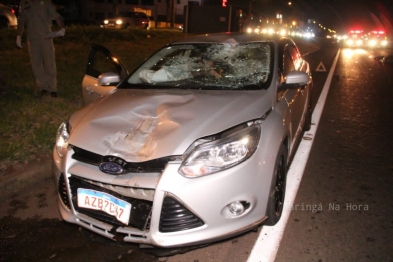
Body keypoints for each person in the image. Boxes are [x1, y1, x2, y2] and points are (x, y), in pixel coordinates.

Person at [16, 0, 65, 98]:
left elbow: (56, 15)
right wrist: (18, 35)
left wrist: (62, 28)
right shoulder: (24, 3)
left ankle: (52, 89)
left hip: (46, 37)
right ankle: (43, 87)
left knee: (49, 62)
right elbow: (21, 20)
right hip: (32, 38)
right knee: (36, 64)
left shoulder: (45, 2)